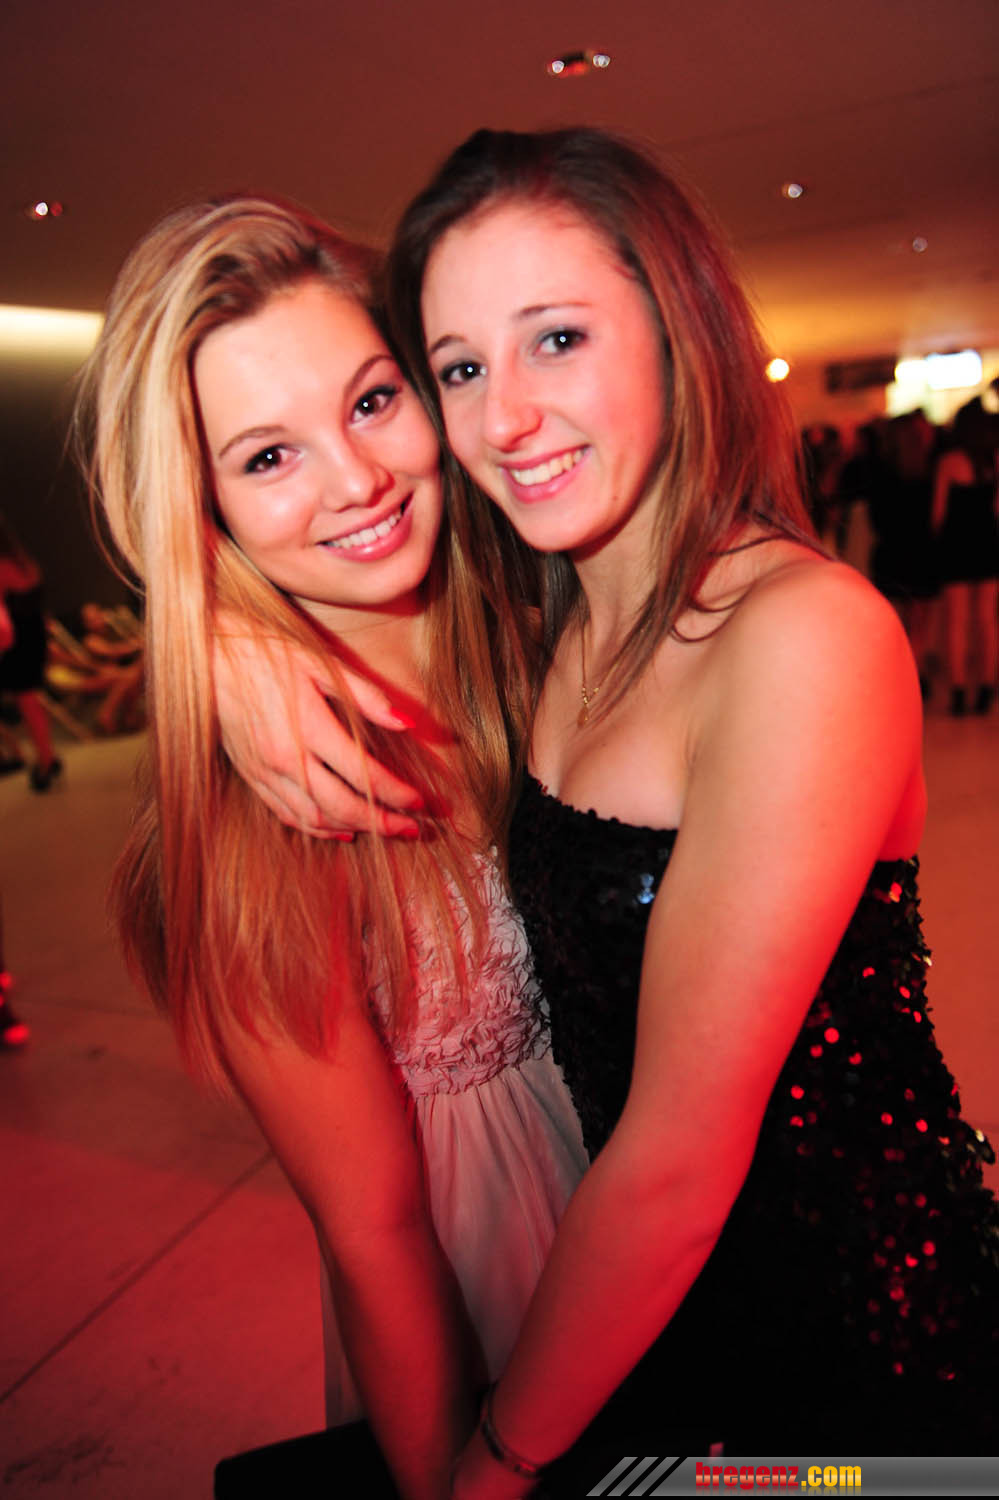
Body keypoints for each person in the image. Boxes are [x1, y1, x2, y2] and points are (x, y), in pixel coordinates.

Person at [222, 129, 999, 1481]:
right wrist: (221, 647)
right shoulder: (548, 612)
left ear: (676, 325)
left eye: (557, 339)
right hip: (656, 1337)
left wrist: (497, 1464)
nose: (505, 419)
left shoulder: (800, 635)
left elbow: (677, 1159)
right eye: (461, 368)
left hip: (860, 1376)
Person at [77, 194, 586, 1499]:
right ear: (197, 505)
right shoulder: (261, 832)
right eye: (266, 457)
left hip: (697, 1243)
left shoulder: (544, 607)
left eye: (369, 401)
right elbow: (376, 1238)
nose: (357, 482)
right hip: (506, 1316)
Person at [931, 399, 999, 715]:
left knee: (955, 622)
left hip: (956, 546)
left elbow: (938, 512)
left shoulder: (949, 461)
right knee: (987, 620)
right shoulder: (993, 461)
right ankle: (985, 688)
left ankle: (958, 690)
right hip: (988, 544)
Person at [0, 516, 62, 791]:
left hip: (18, 644)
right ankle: (47, 755)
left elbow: (3, 623)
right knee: (31, 701)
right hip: (35, 639)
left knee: (27, 702)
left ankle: (45, 761)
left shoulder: (2, 569)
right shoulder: (25, 565)